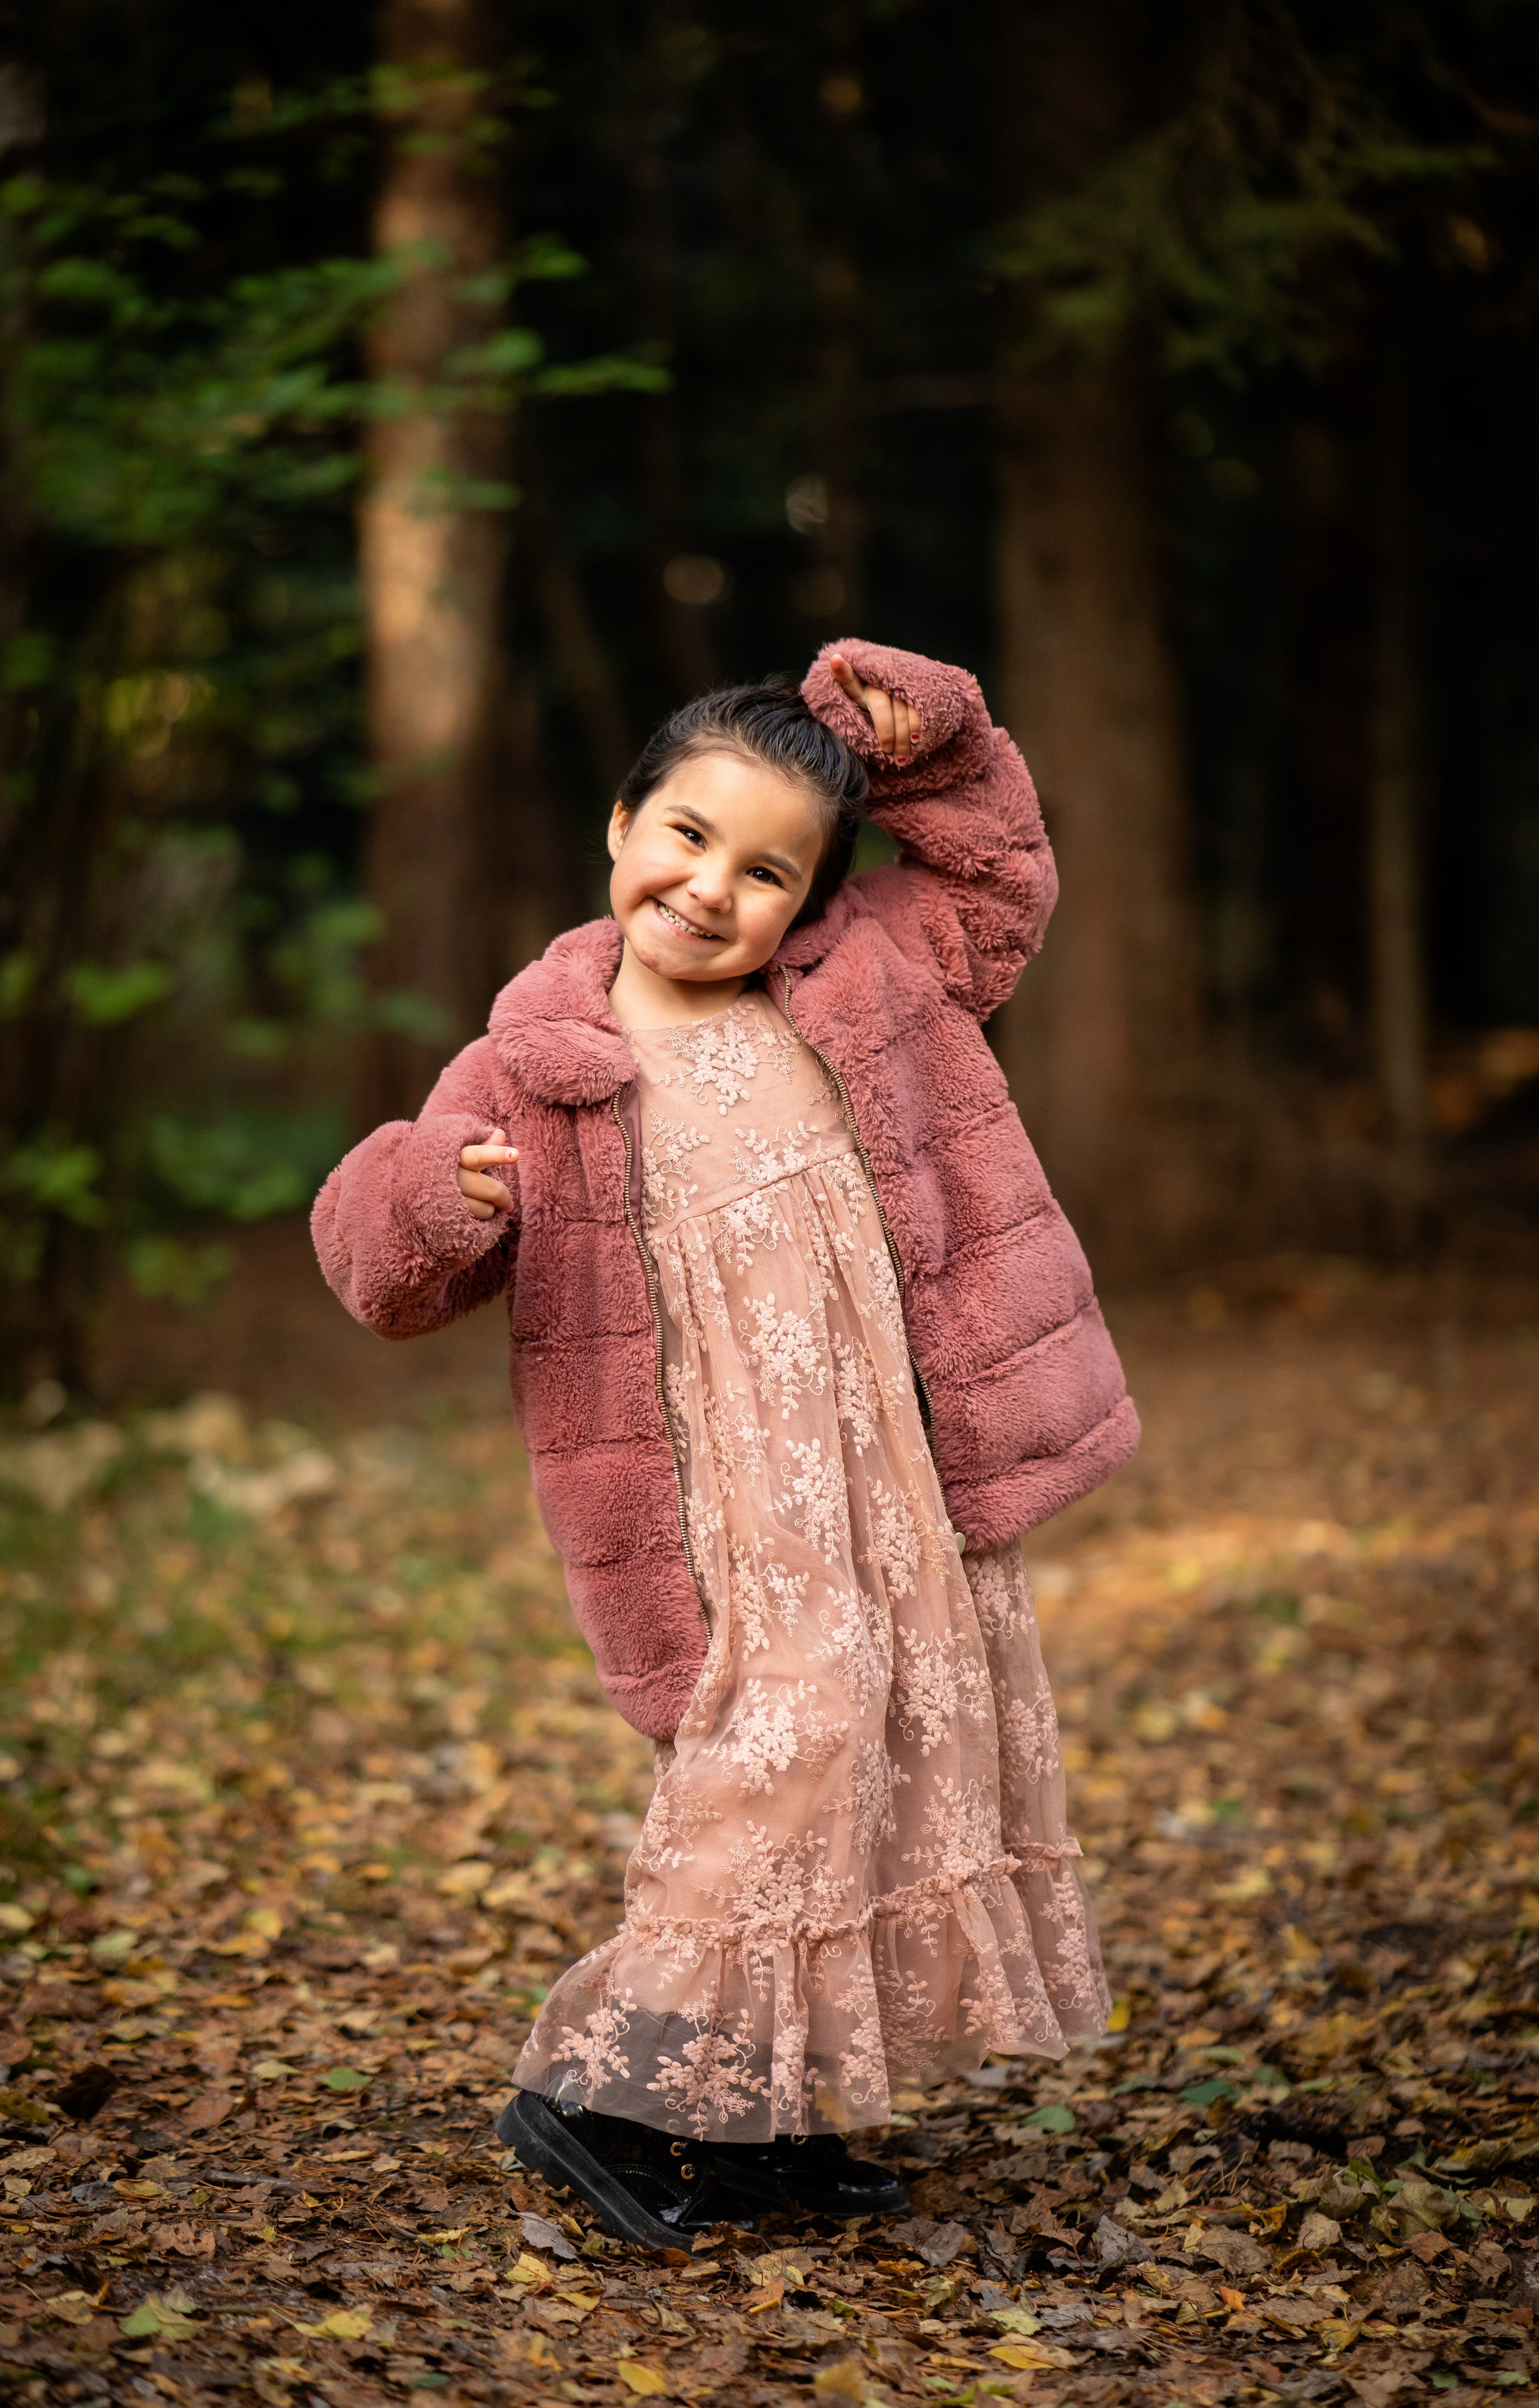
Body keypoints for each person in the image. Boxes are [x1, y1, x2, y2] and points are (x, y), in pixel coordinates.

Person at [312, 639, 1139, 2246]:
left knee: (889, 1751)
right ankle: (596, 2091)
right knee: (784, 1752)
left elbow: (999, 877)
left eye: (767, 871)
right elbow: (381, 1271)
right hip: (716, 1490)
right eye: (685, 838)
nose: (712, 890)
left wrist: (932, 738)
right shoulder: (530, 1071)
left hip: (887, 1466)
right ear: (619, 829)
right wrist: (433, 1199)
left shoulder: (866, 981)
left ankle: (769, 2112)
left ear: (811, 900)